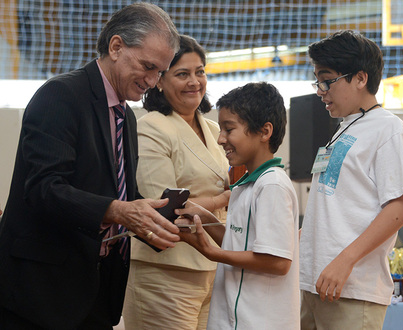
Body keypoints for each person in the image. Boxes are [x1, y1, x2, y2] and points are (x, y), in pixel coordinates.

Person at [0, 3, 181, 329]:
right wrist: (117, 211)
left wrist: (172, 218)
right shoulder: (61, 95)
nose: (153, 82)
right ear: (116, 47)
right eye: (148, 66)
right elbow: (44, 189)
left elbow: (124, 195)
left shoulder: (125, 117)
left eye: (160, 73)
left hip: (96, 292)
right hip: (43, 295)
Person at [298, 30, 403, 330]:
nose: (320, 90)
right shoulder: (344, 128)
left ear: (360, 78)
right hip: (314, 283)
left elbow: (401, 206)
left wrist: (345, 260)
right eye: (317, 81)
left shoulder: (388, 129)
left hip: (352, 288)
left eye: (327, 80)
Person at [122, 35, 230, 330]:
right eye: (182, 74)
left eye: (200, 72)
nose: (194, 82)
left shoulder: (213, 128)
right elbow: (166, 206)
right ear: (159, 80)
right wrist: (222, 200)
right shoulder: (150, 127)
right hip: (164, 273)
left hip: (212, 268)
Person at [176, 82, 300, 330]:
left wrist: (211, 253)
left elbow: (277, 262)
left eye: (229, 129)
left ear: (264, 132)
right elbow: (239, 244)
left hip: (259, 322)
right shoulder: (245, 186)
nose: (221, 139)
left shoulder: (272, 185)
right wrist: (206, 218)